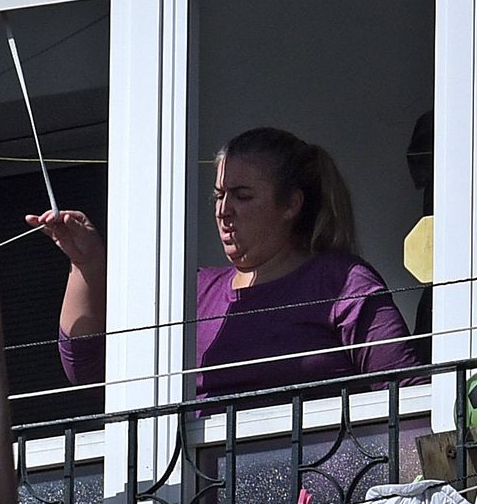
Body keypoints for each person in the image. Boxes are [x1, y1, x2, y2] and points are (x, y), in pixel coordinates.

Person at [30, 126, 424, 398]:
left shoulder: (341, 282)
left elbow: (408, 394)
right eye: (219, 195)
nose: (223, 210)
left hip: (316, 494)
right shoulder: (194, 291)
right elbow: (90, 370)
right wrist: (86, 264)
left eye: (242, 196)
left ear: (291, 204)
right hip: (200, 494)